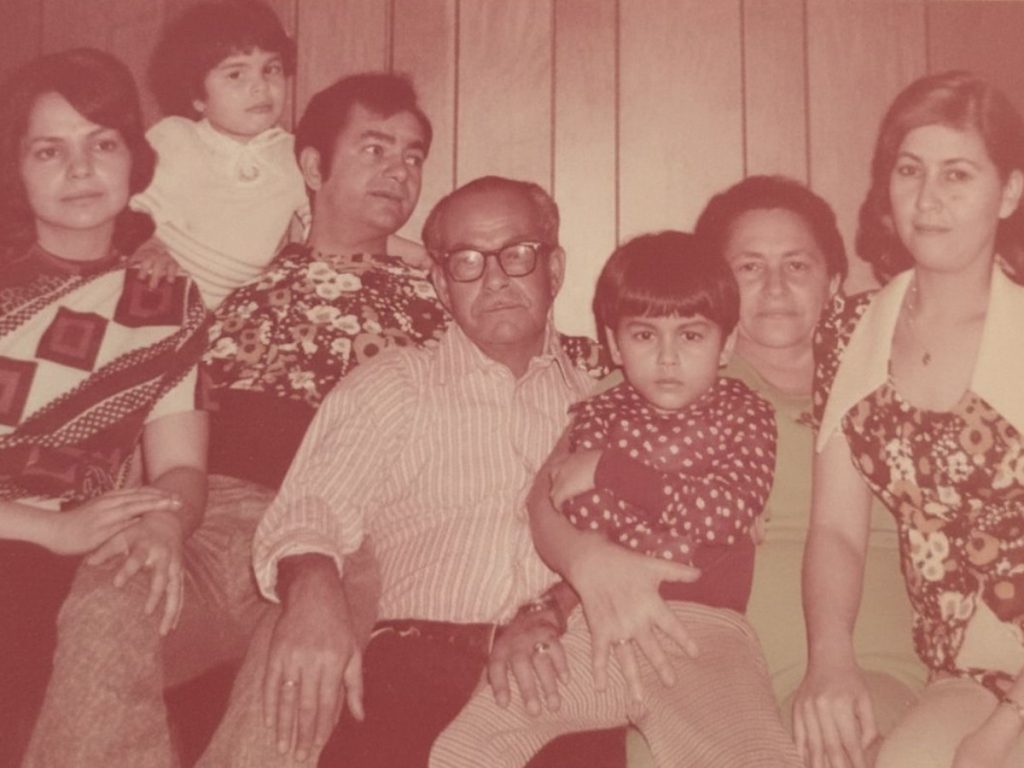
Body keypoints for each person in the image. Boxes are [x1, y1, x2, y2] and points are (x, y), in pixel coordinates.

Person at [202, 175, 605, 767]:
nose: (494, 278)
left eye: (517, 254)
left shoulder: (604, 400)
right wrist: (313, 591)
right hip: (416, 669)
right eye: (467, 261)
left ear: (555, 268)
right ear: (441, 282)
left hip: (562, 668)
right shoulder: (392, 385)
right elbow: (309, 512)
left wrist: (553, 610)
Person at [431, 230, 804, 767]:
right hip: (596, 623)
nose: (668, 357)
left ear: (726, 344)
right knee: (471, 742)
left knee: (756, 758)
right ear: (613, 341)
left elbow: (726, 512)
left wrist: (610, 472)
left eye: (692, 336)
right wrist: (668, 520)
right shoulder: (601, 411)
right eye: (645, 335)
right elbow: (570, 503)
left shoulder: (744, 413)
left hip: (702, 635)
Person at [793, 70, 1024, 768]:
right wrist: (829, 664)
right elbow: (836, 529)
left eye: (958, 174)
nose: (928, 199)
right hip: (965, 670)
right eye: (910, 171)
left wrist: (1010, 728)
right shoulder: (849, 330)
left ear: (1010, 191)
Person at [0, 48, 209, 766]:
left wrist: (163, 526)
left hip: (77, 548)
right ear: (16, 168)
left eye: (103, 143)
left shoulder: (166, 300)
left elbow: (181, 466)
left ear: (132, 159)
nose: (80, 169)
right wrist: (45, 530)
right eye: (49, 150)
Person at [202, 72, 447, 488]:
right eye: (374, 149)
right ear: (314, 168)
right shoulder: (242, 293)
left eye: (413, 158)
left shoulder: (444, 300)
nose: (400, 172)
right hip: (250, 510)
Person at [130, 0, 307, 308]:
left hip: (233, 315)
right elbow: (131, 209)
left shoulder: (297, 154)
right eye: (236, 74)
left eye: (271, 69)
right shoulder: (175, 136)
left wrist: (414, 254)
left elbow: (334, 223)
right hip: (157, 289)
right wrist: (149, 246)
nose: (261, 86)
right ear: (196, 96)